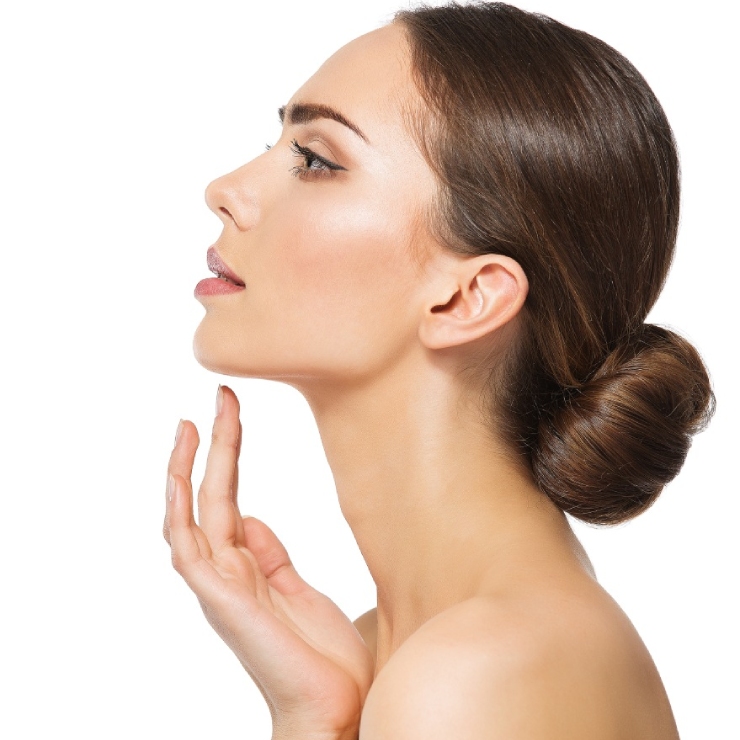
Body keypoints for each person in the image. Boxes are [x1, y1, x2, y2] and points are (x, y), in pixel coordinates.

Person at [163, 3, 714, 738]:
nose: (224, 188)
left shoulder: (475, 674)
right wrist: (310, 719)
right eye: (278, 142)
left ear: (465, 296)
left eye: (317, 160)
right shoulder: (390, 655)